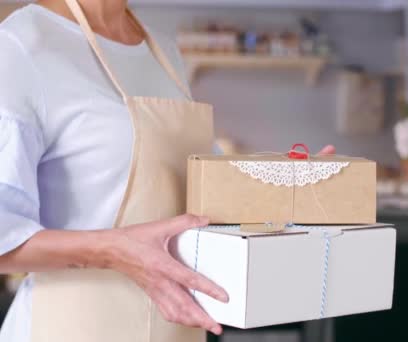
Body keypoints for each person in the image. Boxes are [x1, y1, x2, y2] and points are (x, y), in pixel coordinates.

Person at [0, 1, 336, 341]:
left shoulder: (161, 50)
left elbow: (192, 187)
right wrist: (113, 251)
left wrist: (279, 188)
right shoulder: (22, 46)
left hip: (172, 328)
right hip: (73, 326)